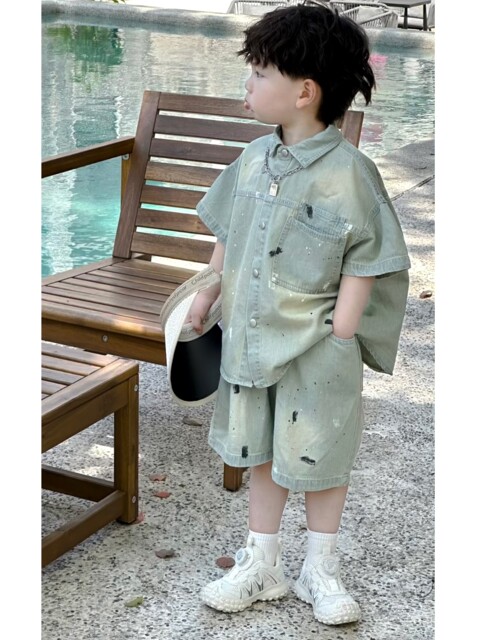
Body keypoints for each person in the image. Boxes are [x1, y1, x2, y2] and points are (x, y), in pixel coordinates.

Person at [188, 1, 411, 626]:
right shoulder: (252, 160)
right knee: (261, 449)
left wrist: (342, 332)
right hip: (254, 339)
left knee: (320, 455)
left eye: (260, 73)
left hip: (317, 346)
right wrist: (206, 293)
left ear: (304, 92)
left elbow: (368, 257)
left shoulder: (351, 174)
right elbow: (227, 231)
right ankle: (262, 561)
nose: (248, 84)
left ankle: (321, 567)